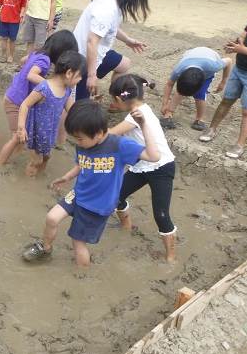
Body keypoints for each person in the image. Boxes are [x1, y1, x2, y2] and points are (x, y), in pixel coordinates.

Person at [23, 100, 159, 267]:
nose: (77, 143)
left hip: (97, 205)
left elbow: (154, 157)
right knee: (51, 218)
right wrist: (67, 177)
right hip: (79, 193)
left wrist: (143, 125)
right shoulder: (84, 144)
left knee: (78, 243)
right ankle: (46, 248)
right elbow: (82, 163)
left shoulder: (119, 145)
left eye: (80, 139)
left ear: (100, 133)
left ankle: (82, 275)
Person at [109, 74, 177, 263]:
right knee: (116, 195)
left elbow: (111, 134)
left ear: (118, 98)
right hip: (142, 165)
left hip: (162, 167)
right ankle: (126, 227)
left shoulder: (136, 115)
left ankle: (171, 256)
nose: (112, 105)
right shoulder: (140, 109)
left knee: (161, 214)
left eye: (112, 101)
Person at [73, 0, 160, 101]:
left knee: (124, 64)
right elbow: (91, 42)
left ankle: (117, 101)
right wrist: (91, 75)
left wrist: (128, 40)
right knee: (77, 105)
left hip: (97, 51)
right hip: (83, 58)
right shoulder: (108, 7)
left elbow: (109, 27)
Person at [0, 30, 78, 165]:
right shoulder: (45, 60)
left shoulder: (37, 53)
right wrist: (50, 86)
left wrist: (22, 74)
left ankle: (14, 159)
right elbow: (31, 75)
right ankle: (0, 165)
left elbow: (23, 60)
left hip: (14, 96)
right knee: (16, 137)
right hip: (15, 102)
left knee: (20, 137)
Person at [199, 13, 247, 159]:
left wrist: (242, 49)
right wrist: (235, 44)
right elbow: (244, 35)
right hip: (239, 68)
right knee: (226, 100)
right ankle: (212, 129)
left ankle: (240, 144)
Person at [17, 51, 83, 176]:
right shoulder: (44, 88)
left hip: (49, 133)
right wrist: (21, 128)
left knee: (47, 157)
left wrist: (87, 111)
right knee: (36, 161)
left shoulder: (67, 90)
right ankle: (29, 184)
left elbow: (73, 110)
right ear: (69, 73)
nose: (80, 80)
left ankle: (40, 175)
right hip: (35, 134)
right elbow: (25, 105)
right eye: (79, 76)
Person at [160, 47, 232, 131]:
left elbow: (229, 61)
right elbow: (169, 84)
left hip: (209, 63)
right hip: (191, 58)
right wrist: (164, 104)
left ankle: (200, 119)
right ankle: (168, 113)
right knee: (181, 90)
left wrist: (223, 81)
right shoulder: (178, 70)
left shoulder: (214, 66)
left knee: (200, 94)